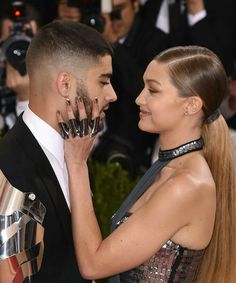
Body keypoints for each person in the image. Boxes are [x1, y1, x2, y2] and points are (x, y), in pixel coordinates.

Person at [58, 45, 236, 283]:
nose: (139, 98)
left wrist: (77, 163)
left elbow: (94, 265)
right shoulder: (168, 166)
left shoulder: (186, 185)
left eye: (153, 90)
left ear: (191, 105)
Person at [0, 20, 117, 283]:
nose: (112, 95)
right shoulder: (12, 175)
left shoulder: (74, 150)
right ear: (65, 85)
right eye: (104, 81)